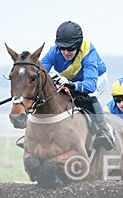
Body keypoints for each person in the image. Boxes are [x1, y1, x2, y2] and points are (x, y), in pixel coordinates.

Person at [41, 20, 115, 150]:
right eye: (62, 48)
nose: (66, 52)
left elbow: (90, 85)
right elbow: (41, 74)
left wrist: (71, 85)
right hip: (71, 79)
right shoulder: (53, 52)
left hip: (96, 79)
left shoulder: (88, 52)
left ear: (78, 45)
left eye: (70, 48)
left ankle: (104, 131)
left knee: (86, 96)